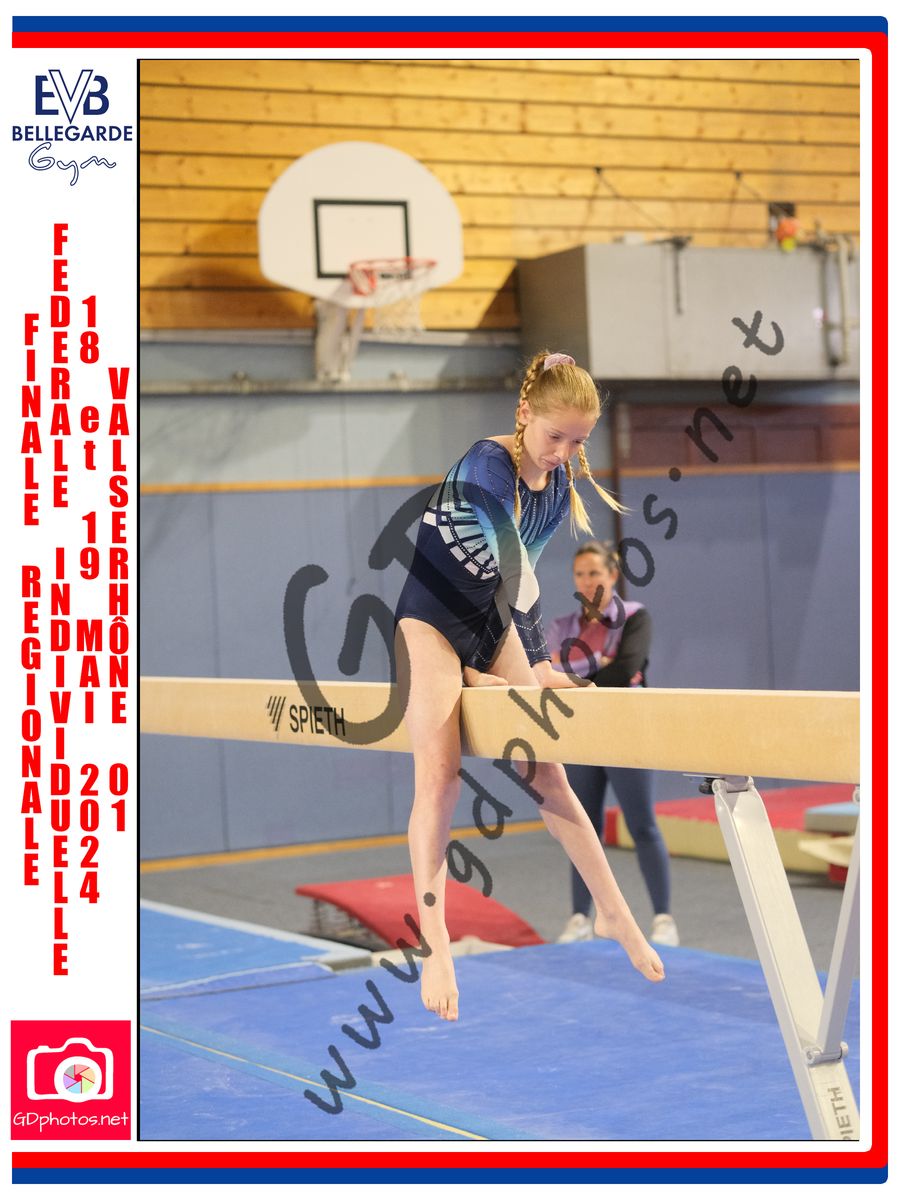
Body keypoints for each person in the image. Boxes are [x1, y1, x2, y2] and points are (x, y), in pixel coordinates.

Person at [393, 350, 665, 1022]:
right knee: (441, 778)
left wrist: (531, 663)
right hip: (430, 624)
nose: (563, 453)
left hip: (490, 626)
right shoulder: (487, 468)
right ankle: (435, 945)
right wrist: (537, 662)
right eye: (554, 436)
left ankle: (613, 910)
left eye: (577, 442)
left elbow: (516, 588)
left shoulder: (554, 487)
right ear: (523, 414)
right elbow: (516, 573)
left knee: (549, 773)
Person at [546, 541, 679, 948]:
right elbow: (544, 676)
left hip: (627, 733)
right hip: (581, 735)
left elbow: (626, 669)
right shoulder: (561, 626)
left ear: (613, 575)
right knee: (581, 827)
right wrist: (599, 665)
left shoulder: (635, 617)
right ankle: (580, 917)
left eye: (595, 573)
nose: (587, 582)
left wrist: (572, 675)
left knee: (642, 825)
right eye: (580, 574)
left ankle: (663, 919)